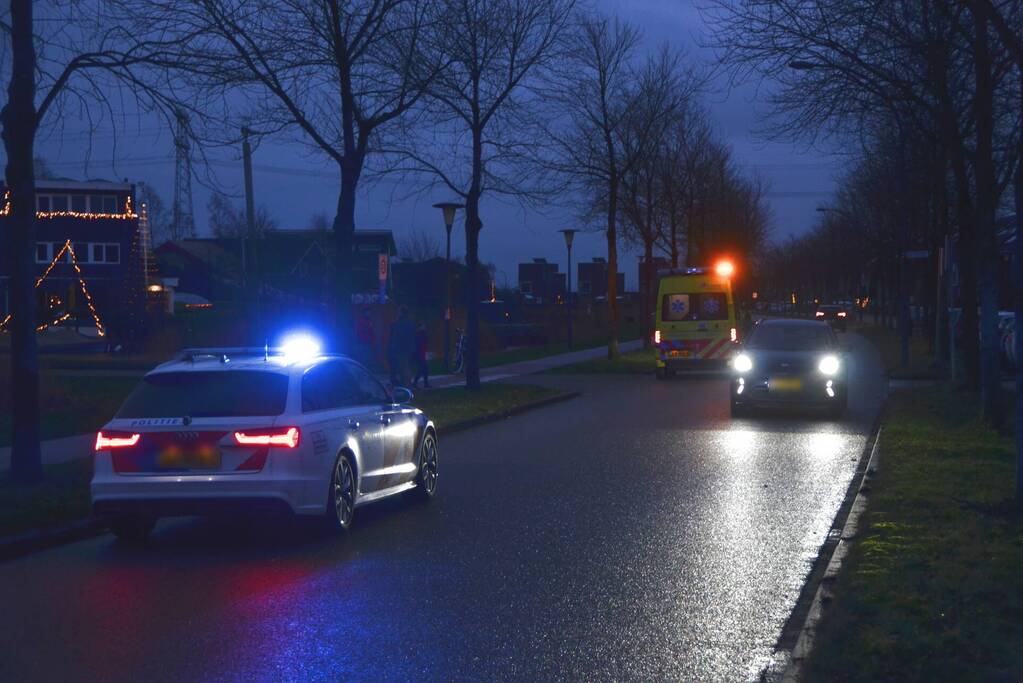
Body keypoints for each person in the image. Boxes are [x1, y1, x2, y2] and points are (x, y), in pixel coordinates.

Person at [387, 305, 416, 387]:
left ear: (401, 313)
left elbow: (397, 338)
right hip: (404, 350)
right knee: (403, 369)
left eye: (399, 311)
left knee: (403, 369)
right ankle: (405, 386)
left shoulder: (400, 324)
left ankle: (406, 388)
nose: (397, 313)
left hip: (400, 350)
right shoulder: (408, 323)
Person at [411, 323, 430, 389]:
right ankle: (419, 383)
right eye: (423, 326)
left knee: (423, 369)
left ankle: (424, 383)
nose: (425, 327)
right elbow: (422, 344)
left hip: (421, 354)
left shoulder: (421, 333)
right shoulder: (419, 334)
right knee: (422, 369)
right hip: (420, 354)